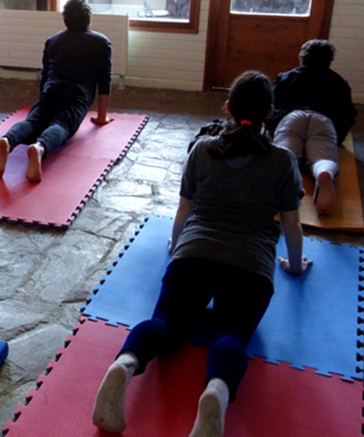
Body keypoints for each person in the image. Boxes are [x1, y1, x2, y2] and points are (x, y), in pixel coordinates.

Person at [92, 72, 311, 437]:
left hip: (193, 253)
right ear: (270, 113)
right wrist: (296, 265)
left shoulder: (202, 149)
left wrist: (177, 245)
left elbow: (183, 211)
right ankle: (216, 391)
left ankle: (126, 363)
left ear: (227, 108)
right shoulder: (281, 160)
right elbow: (292, 225)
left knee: (166, 320)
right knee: (230, 333)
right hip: (250, 264)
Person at [0, 0, 113, 182]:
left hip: (51, 88)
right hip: (77, 94)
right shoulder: (102, 43)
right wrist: (102, 117)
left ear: (65, 19)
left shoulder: (53, 40)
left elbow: (44, 76)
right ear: (89, 19)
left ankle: (7, 140)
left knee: (33, 122)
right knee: (61, 125)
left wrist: (44, 102)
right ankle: (39, 148)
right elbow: (104, 82)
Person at [268, 39, 358, 215]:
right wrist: (337, 137)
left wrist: (272, 130)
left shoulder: (286, 77)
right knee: (322, 157)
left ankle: (285, 176)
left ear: (302, 58)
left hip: (291, 117)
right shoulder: (339, 82)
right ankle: (324, 172)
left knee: (286, 154)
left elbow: (271, 107)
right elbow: (348, 115)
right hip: (322, 120)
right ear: (329, 60)